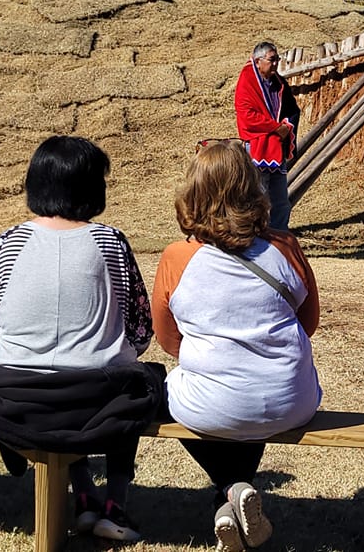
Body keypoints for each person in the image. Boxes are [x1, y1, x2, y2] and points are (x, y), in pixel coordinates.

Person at [0, 136, 162, 543]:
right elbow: (139, 328)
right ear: (93, 188)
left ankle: (84, 493)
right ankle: (113, 503)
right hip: (99, 399)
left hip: (16, 399)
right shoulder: (109, 242)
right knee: (136, 376)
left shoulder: (8, 240)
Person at [152, 139, 321, 552]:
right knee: (249, 392)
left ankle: (228, 486)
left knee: (163, 391)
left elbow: (167, 340)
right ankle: (231, 495)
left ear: (192, 191)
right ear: (254, 188)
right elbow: (309, 323)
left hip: (212, 404)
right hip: (290, 400)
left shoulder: (177, 258)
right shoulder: (286, 247)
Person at [234, 41, 300, 231]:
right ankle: (255, 238)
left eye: (277, 59)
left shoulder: (279, 83)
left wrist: (287, 126)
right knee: (257, 198)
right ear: (257, 61)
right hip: (256, 148)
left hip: (276, 148)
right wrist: (275, 127)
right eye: (272, 60)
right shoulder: (247, 81)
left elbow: (292, 109)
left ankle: (279, 238)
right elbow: (247, 116)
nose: (275, 63)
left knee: (280, 202)